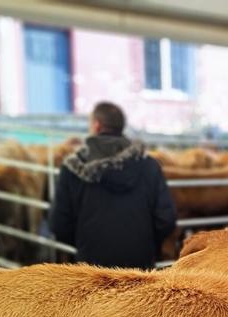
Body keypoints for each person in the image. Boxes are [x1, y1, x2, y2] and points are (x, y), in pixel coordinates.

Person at [50, 101, 175, 270]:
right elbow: (166, 219)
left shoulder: (73, 167)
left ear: (96, 125)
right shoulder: (149, 165)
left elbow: (60, 225)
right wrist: (147, 245)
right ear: (120, 127)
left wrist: (84, 245)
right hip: (139, 268)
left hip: (91, 269)